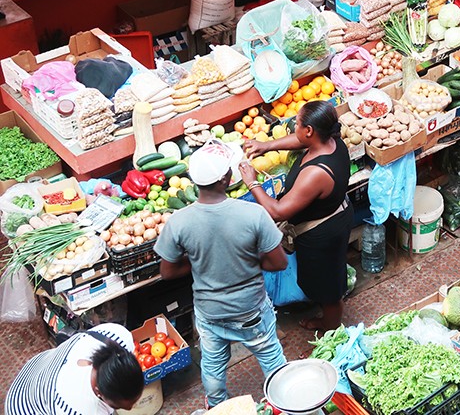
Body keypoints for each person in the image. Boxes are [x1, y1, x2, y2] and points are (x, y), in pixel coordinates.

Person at [155, 140, 288, 409]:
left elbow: (167, 271)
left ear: (193, 181)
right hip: (249, 310)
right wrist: (245, 261)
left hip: (209, 312)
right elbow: (279, 262)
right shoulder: (253, 214)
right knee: (271, 358)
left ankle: (217, 407)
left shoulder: (179, 221)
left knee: (213, 367)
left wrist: (201, 262)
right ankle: (285, 401)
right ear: (227, 178)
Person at [242, 101, 354, 332]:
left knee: (328, 287)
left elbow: (278, 211)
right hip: (330, 218)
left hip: (322, 233)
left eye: (298, 125)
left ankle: (331, 327)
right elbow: (300, 140)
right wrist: (266, 146)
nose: (295, 129)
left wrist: (252, 183)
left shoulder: (316, 173)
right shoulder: (330, 141)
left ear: (310, 130)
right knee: (323, 277)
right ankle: (326, 312)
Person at [5, 323, 143, 415]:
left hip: (43, 366)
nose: (131, 409)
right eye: (117, 406)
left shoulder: (116, 336)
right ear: (98, 391)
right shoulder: (76, 408)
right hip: (24, 405)